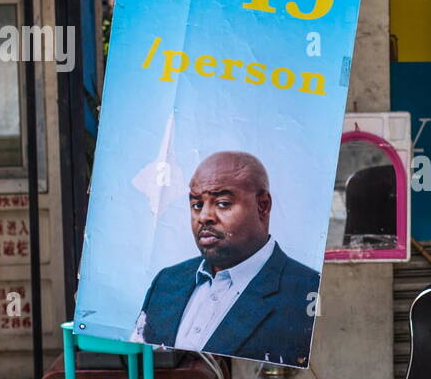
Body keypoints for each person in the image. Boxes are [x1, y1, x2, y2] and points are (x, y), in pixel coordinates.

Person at [132, 151, 319, 366]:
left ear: (263, 206)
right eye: (197, 205)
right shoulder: (166, 282)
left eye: (222, 203)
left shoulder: (307, 292)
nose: (204, 217)